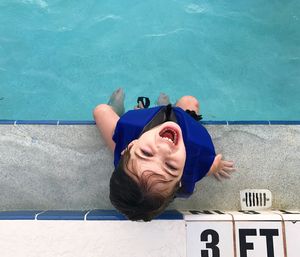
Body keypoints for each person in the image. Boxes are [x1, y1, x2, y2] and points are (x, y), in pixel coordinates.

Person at [93, 88, 235, 221]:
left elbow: (132, 156)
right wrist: (215, 166)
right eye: (170, 166)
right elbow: (205, 168)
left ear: (129, 146)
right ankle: (168, 106)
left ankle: (114, 108)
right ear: (181, 179)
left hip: (140, 130)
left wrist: (138, 116)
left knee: (101, 111)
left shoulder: (130, 128)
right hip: (182, 121)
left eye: (146, 153)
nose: (164, 149)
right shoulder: (196, 153)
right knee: (190, 101)